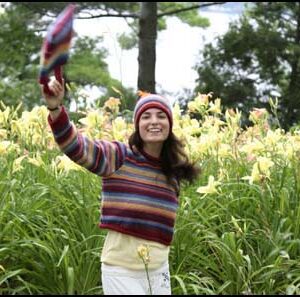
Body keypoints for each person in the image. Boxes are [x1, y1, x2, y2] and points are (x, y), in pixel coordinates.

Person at [42, 78, 200, 295]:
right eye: (146, 116)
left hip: (159, 271)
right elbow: (75, 146)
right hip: (121, 271)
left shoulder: (172, 171)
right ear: (137, 125)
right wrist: (55, 109)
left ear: (170, 125)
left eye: (161, 116)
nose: (154, 121)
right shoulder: (120, 156)